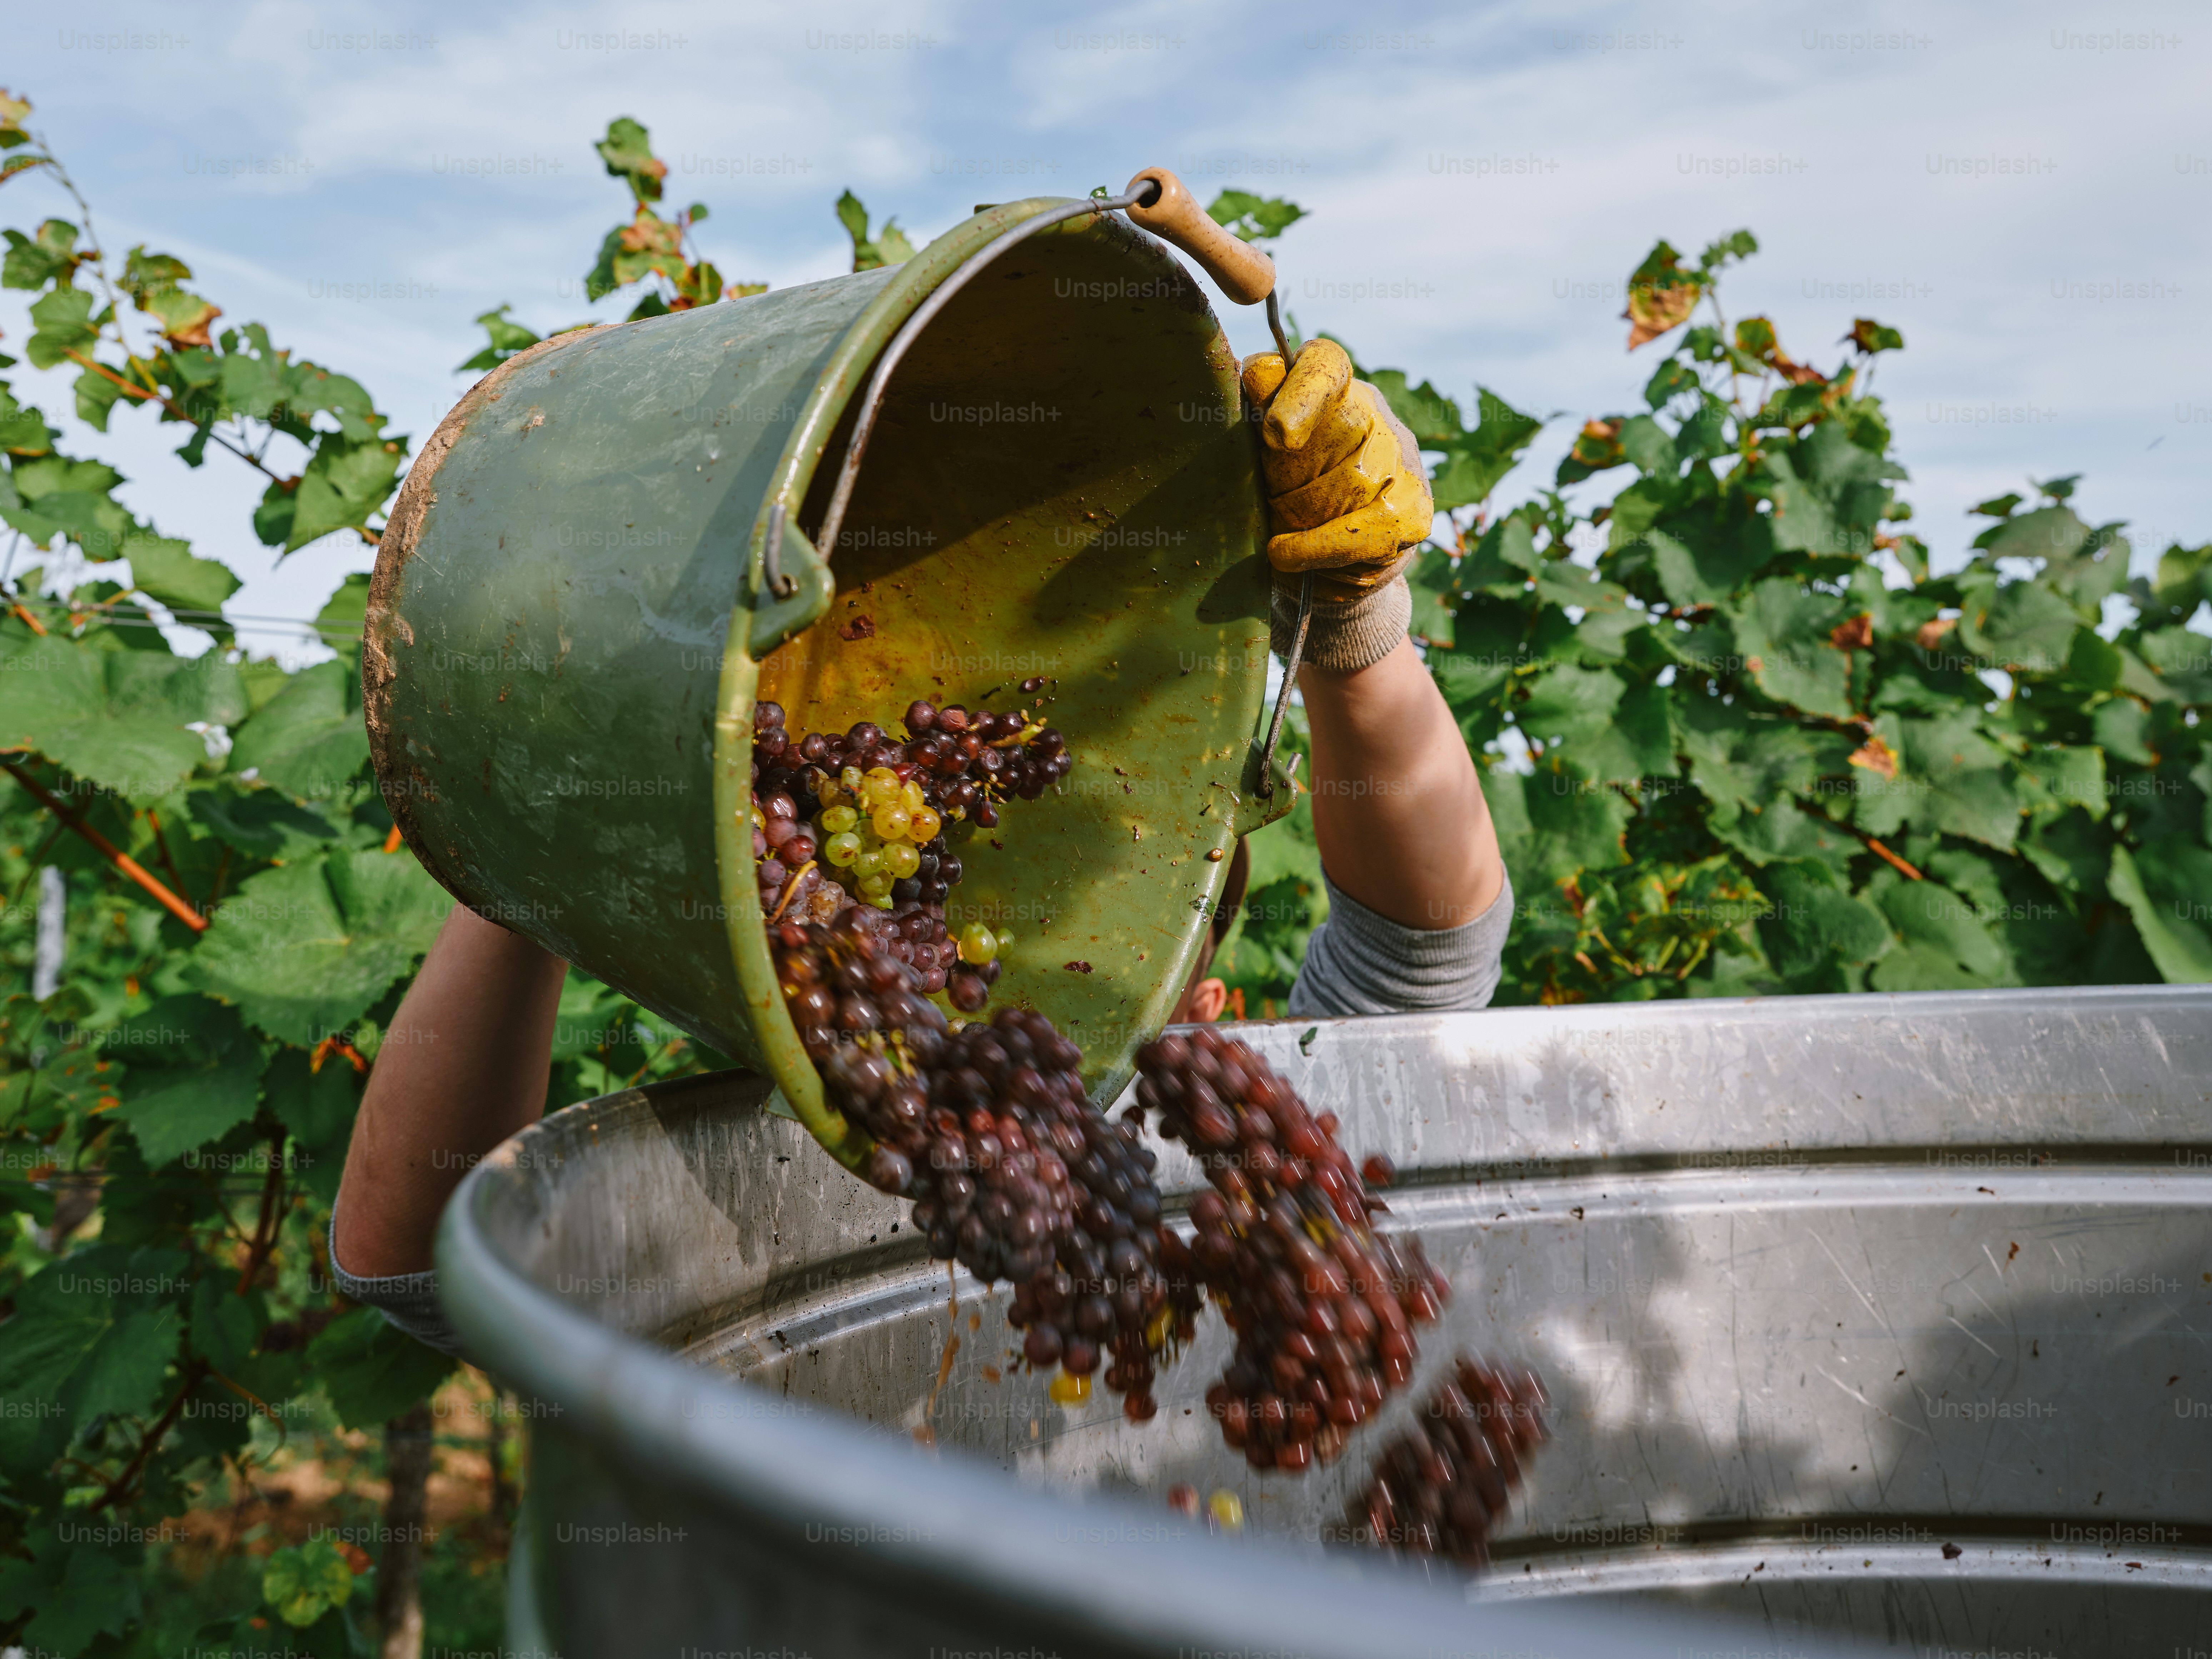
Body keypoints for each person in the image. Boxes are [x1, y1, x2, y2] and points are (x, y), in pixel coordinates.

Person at [330, 339, 1512, 1355]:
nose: (975, 977)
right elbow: (432, 1271)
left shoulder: (1239, 1161)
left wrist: (1356, 626)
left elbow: (1427, 948)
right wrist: (530, 842)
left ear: (1205, 1003)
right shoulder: (804, 1152)